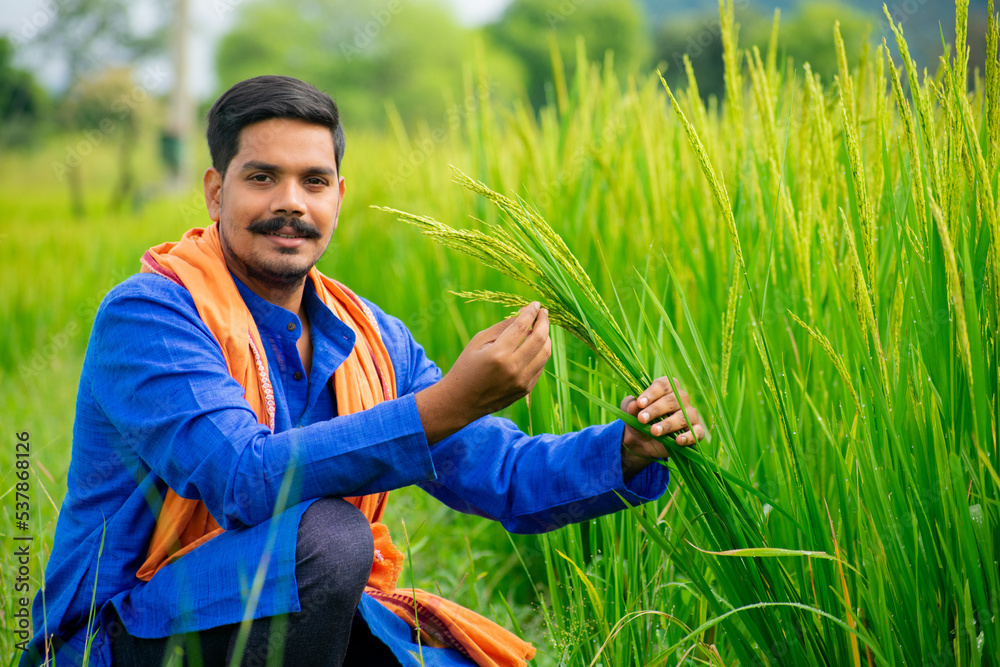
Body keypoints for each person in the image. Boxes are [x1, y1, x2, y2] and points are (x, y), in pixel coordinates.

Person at [21, 75, 706, 667]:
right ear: (214, 191)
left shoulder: (373, 338)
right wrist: (447, 403)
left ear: (338, 197)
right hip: (119, 636)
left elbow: (503, 475)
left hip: (290, 614)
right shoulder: (151, 315)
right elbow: (243, 478)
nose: (291, 201)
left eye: (313, 181)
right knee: (327, 538)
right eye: (262, 177)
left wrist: (625, 449)